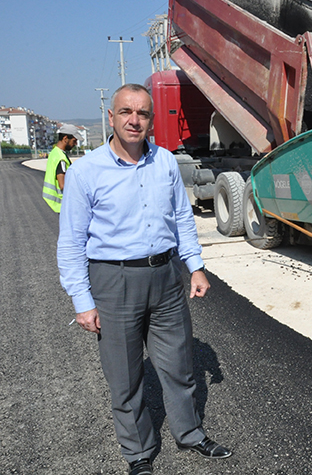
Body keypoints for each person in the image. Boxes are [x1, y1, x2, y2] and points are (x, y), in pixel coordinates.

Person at [57, 84, 231, 475]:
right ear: (111, 117)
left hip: (166, 276)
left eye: (143, 113)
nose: (135, 120)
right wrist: (82, 301)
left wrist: (195, 265)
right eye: (126, 112)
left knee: (179, 365)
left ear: (151, 120)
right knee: (125, 374)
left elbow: (182, 218)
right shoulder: (86, 171)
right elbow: (70, 242)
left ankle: (189, 433)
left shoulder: (166, 162)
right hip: (113, 280)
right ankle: (138, 453)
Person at [42, 124, 82, 212]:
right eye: (74, 141)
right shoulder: (61, 158)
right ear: (65, 139)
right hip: (62, 203)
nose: (75, 144)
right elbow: (63, 185)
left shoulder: (54, 153)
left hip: (55, 202)